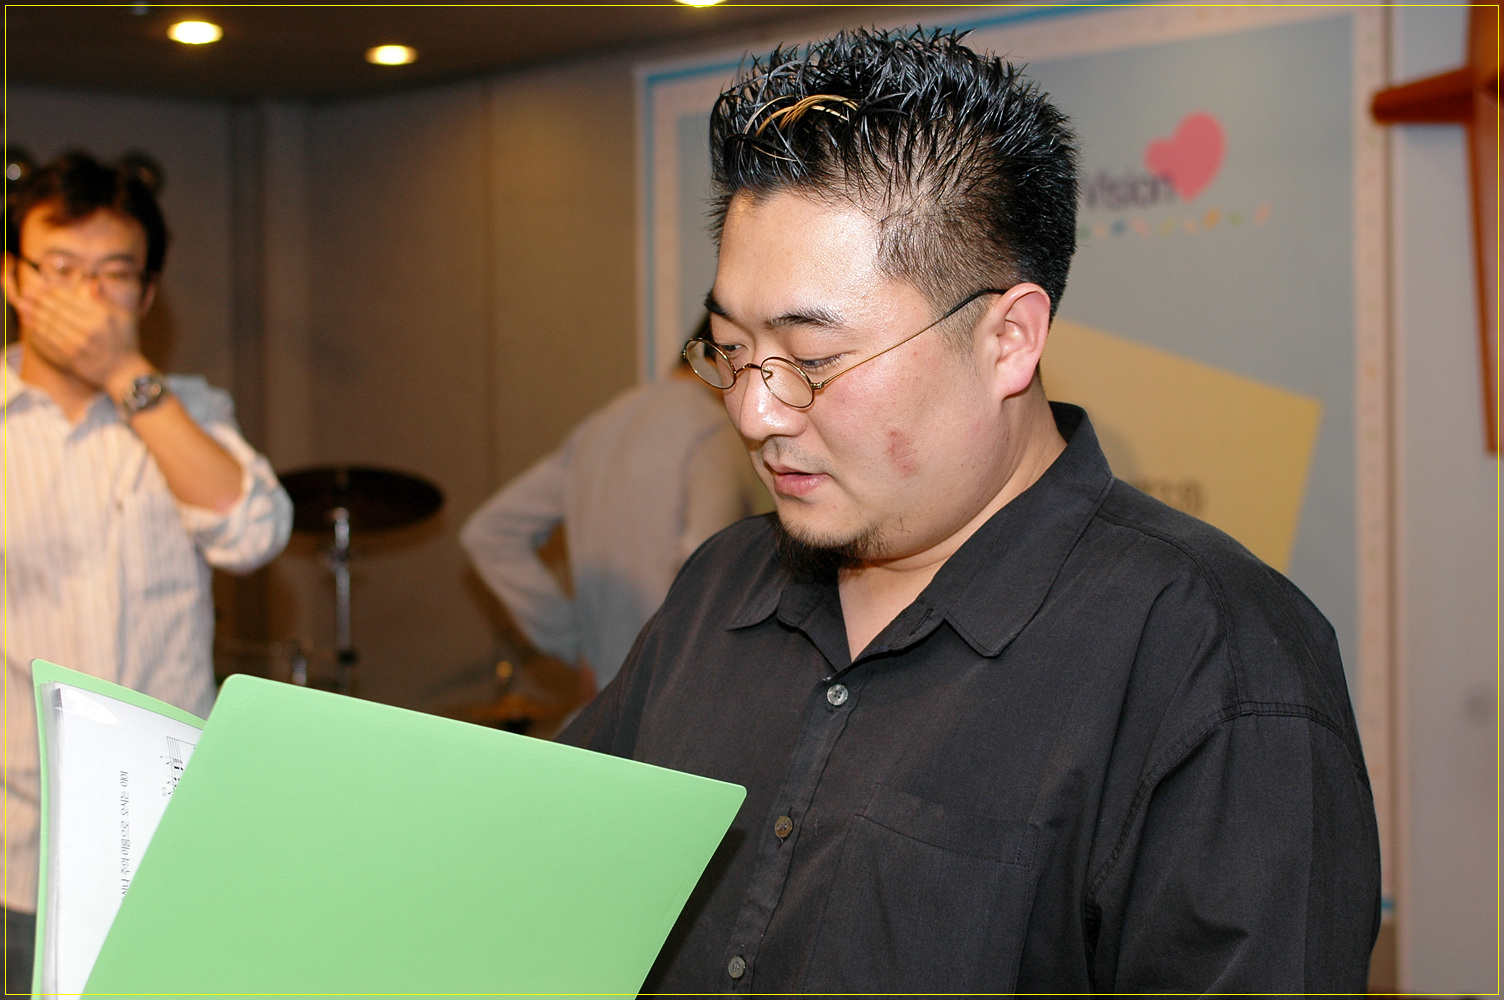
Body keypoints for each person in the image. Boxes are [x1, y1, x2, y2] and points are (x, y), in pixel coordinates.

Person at [562, 27, 1381, 993]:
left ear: (1009, 339)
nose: (753, 411)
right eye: (731, 349)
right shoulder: (719, 589)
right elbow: (558, 886)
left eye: (812, 360)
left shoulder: (1213, 661)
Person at [2, 152, 292, 992]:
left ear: (148, 294)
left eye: (114, 274)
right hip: (17, 853)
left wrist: (126, 374)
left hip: (174, 840)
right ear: (13, 280)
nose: (86, 298)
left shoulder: (186, 409)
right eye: (60, 269)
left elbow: (253, 534)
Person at [460, 331, 769, 689]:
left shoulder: (601, 425)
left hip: (607, 695)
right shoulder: (712, 428)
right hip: (678, 688)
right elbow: (709, 570)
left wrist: (574, 644)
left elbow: (488, 533)